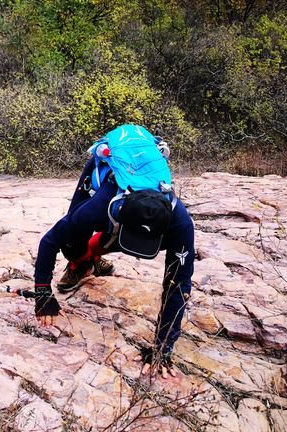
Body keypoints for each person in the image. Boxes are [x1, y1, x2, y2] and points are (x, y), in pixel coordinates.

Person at [33, 124, 194, 379]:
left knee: (101, 238)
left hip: (130, 212)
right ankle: (81, 264)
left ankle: (94, 257)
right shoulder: (99, 207)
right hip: (109, 185)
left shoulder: (180, 222)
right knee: (71, 242)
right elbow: (49, 241)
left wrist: (163, 346)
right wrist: (42, 293)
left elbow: (179, 283)